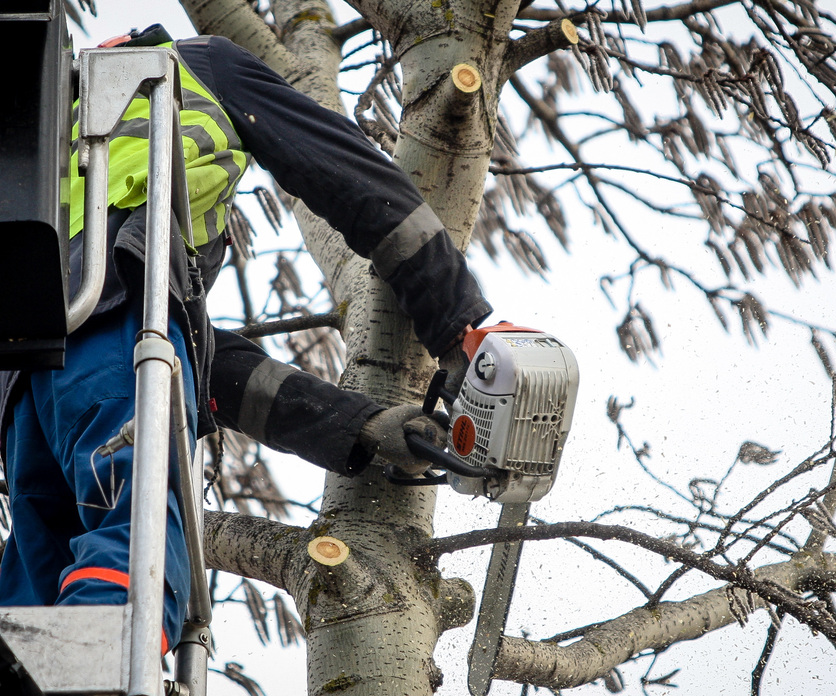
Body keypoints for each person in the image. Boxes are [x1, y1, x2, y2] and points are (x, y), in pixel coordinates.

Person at [0, 24, 491, 654]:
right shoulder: (190, 65)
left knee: (35, 583)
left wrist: (360, 427)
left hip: (21, 389)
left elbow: (207, 365)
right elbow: (350, 175)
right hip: (117, 308)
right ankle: (109, 647)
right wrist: (461, 325)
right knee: (133, 513)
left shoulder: (36, 132)